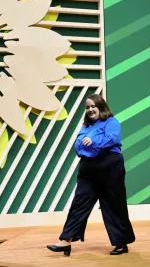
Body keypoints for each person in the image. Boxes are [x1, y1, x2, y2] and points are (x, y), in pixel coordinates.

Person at [47, 94, 135, 256]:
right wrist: (87, 145)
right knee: (79, 202)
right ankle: (66, 241)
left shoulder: (111, 122)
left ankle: (121, 243)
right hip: (88, 168)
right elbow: (78, 147)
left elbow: (113, 139)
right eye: (87, 107)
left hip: (109, 166)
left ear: (101, 107)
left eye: (93, 106)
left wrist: (95, 143)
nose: (90, 110)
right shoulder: (86, 126)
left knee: (113, 205)